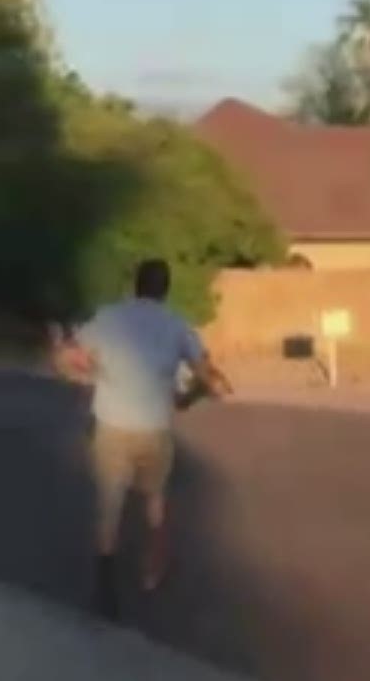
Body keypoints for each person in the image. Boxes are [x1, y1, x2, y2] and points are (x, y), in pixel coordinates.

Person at [49, 259, 232, 619]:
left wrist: (78, 363)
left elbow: (71, 356)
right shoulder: (178, 326)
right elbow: (207, 378)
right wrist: (194, 394)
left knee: (110, 502)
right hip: (153, 428)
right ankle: (153, 567)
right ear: (165, 289)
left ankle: (104, 582)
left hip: (112, 426)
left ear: (136, 285)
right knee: (155, 498)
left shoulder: (108, 317)